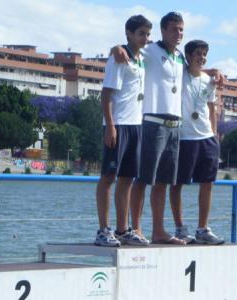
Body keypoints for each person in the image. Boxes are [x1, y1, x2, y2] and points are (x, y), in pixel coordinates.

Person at [113, 12, 223, 245]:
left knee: (163, 180)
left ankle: (159, 231)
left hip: (175, 126)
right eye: (174, 29)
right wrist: (116, 47)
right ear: (163, 30)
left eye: (181, 29)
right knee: (143, 179)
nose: (178, 33)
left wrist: (211, 71)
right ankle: (137, 228)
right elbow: (131, 47)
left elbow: (195, 73)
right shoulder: (151, 50)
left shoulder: (181, 58)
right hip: (153, 122)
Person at [94, 15, 152, 247]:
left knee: (127, 178)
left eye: (148, 34)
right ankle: (102, 230)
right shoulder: (119, 58)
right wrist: (110, 125)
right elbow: (106, 94)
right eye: (141, 34)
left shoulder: (141, 58)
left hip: (135, 125)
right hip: (118, 124)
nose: (145, 38)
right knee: (108, 177)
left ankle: (122, 229)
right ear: (129, 33)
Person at [169, 40, 224, 245]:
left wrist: (215, 135)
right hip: (184, 138)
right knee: (177, 184)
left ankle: (202, 228)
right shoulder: (179, 75)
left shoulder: (209, 80)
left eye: (204, 54)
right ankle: (180, 228)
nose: (202, 58)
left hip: (206, 138)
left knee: (207, 183)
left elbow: (211, 109)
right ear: (189, 56)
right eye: (198, 54)